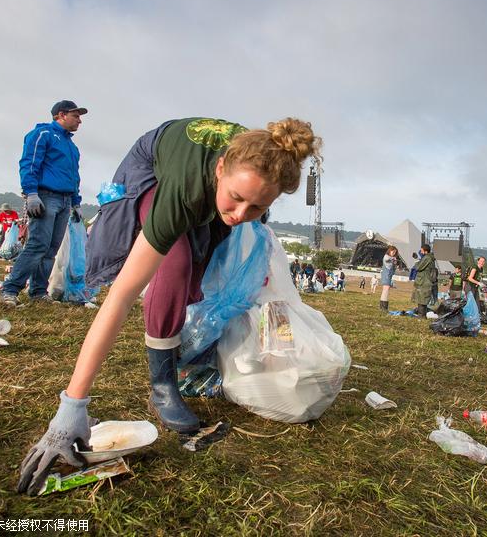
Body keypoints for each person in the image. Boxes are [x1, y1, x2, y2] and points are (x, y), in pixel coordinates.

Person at [17, 116, 320, 495]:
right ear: (221, 168)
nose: (241, 214)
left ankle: (183, 353)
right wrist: (72, 405)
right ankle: (162, 384)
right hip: (151, 165)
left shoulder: (261, 159)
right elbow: (122, 297)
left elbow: (241, 213)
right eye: (237, 198)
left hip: (200, 177)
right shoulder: (183, 190)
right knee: (173, 262)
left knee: (198, 273)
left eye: (258, 206)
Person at [1, 100, 86, 306]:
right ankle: (10, 289)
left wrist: (75, 202)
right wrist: (31, 193)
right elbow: (29, 163)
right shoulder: (43, 134)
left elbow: (74, 175)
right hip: (46, 196)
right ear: (61, 115)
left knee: (51, 249)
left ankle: (39, 292)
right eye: (76, 115)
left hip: (65, 200)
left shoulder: (72, 147)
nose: (79, 121)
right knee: (38, 244)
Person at [411, 244, 438, 317]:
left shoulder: (427, 258)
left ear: (425, 251)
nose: (421, 252)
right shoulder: (428, 258)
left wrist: (416, 262)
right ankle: (422, 315)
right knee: (422, 298)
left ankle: (421, 316)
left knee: (422, 299)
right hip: (425, 280)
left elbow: (419, 267)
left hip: (424, 281)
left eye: (422, 250)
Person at [379, 245, 398, 312]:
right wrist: (393, 259)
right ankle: (384, 307)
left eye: (395, 252)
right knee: (386, 289)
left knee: (385, 289)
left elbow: (393, 268)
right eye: (393, 251)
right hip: (386, 274)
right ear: (390, 251)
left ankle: (382, 306)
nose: (394, 253)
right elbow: (386, 260)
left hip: (389, 274)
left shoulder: (392, 258)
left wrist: (395, 263)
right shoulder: (387, 256)